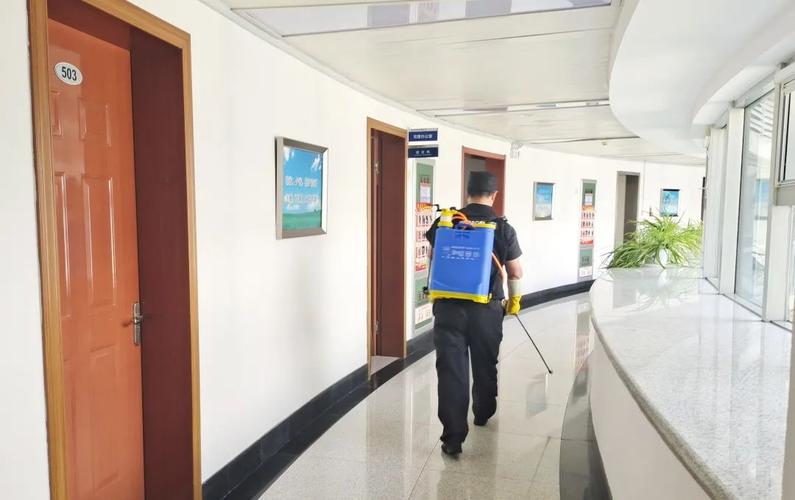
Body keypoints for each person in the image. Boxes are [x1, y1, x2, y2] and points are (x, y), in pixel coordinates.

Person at [425, 171, 524, 456]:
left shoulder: (446, 222)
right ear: (494, 195)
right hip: (486, 310)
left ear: (467, 192)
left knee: (451, 370)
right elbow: (515, 271)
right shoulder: (503, 229)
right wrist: (515, 300)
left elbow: (433, 258)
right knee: (485, 363)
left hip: (448, 308)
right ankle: (482, 412)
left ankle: (453, 438)